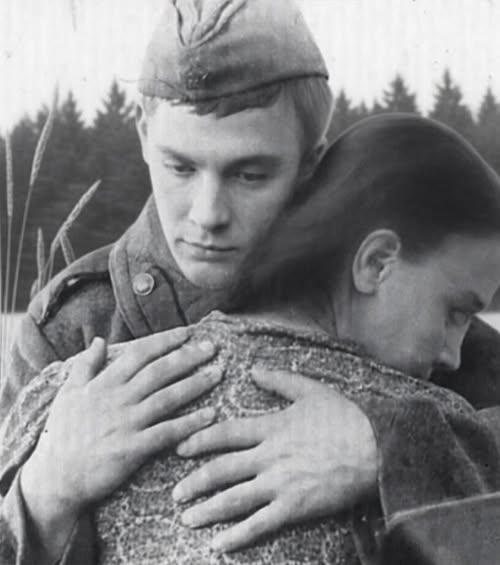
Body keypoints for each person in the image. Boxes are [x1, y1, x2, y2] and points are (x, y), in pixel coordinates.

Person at [1, 0, 500, 562]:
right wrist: (44, 492)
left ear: (310, 164)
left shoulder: (416, 314)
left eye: (249, 174)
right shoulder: (74, 327)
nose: (208, 214)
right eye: (181, 167)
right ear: (143, 133)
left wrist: (386, 444)